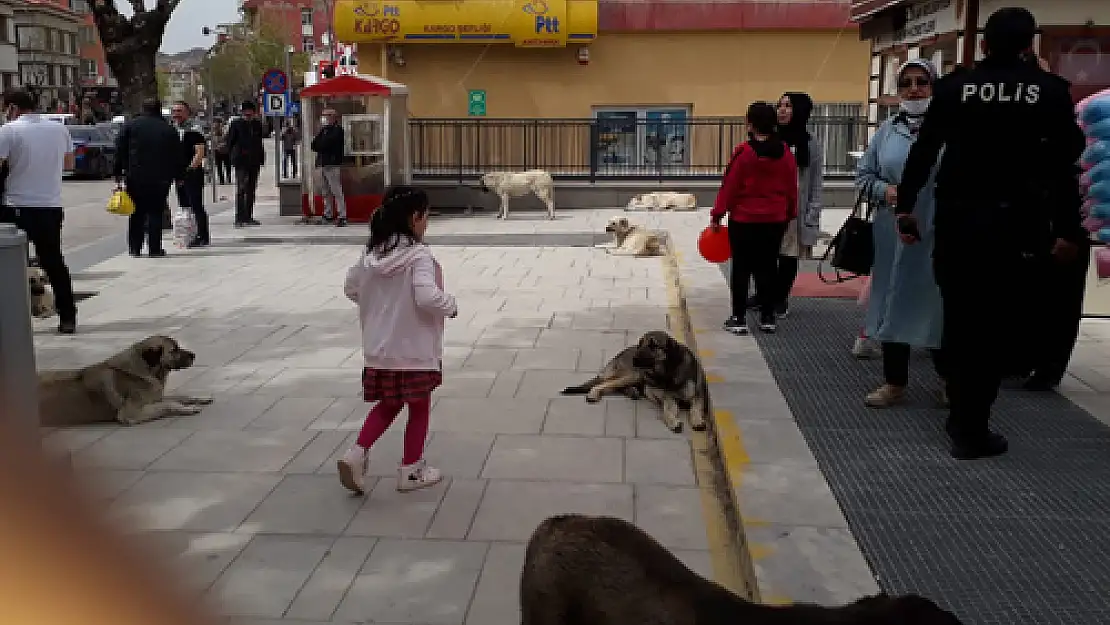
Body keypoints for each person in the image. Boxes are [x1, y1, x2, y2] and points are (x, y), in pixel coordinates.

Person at [895, 7, 1087, 460]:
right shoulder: (1050, 92)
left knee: (961, 319)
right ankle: (971, 426)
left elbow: (924, 151)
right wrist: (1069, 230)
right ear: (1030, 45)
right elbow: (1066, 166)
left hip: (959, 222)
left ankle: (961, 411)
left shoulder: (956, 87)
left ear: (982, 44)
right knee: (994, 328)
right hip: (1017, 227)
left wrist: (906, 206)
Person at [337, 186, 458, 494]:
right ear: (414, 218)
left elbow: (352, 288)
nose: (427, 223)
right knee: (419, 407)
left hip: (380, 349)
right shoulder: (418, 255)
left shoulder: (370, 253)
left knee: (389, 404)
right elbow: (427, 296)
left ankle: (357, 453)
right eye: (425, 217)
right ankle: (411, 469)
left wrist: (379, 307)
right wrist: (450, 304)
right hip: (414, 350)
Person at [856, 59, 947, 408]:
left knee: (937, 305)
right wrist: (886, 191)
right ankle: (894, 382)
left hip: (935, 232)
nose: (914, 89)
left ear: (933, 86)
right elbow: (863, 176)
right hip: (894, 233)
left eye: (921, 82)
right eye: (906, 83)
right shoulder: (887, 131)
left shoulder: (948, 130)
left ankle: (949, 380)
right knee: (893, 302)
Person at [711, 102, 799, 335]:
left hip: (744, 219)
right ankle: (768, 317)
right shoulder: (785, 153)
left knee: (741, 267)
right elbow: (792, 187)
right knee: (768, 267)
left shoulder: (744, 153)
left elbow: (729, 186)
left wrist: (717, 215)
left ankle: (738, 317)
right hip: (775, 219)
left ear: (749, 124)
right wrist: (790, 213)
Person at [0, 88, 79, 334]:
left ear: (12, 107)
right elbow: (69, 164)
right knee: (53, 261)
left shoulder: (9, 131)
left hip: (16, 206)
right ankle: (67, 317)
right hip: (50, 205)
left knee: (12, 264)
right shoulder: (59, 128)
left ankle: (15, 319)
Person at [749, 92, 824, 318]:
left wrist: (812, 212)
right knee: (763, 255)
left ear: (799, 111)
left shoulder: (810, 145)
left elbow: (815, 182)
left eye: (788, 106)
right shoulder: (768, 139)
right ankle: (763, 294)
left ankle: (780, 299)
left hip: (794, 211)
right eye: (780, 105)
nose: (781, 110)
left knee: (788, 256)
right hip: (768, 206)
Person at [114, 98, 180, 258]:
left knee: (136, 211)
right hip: (161, 177)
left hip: (136, 176)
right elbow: (176, 155)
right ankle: (154, 248)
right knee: (155, 212)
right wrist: (179, 175)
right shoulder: (168, 129)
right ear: (159, 109)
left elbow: (120, 149)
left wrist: (118, 172)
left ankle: (135, 247)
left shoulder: (130, 126)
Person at [169, 101, 209, 248]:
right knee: (184, 206)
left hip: (192, 174)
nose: (176, 114)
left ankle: (202, 236)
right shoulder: (173, 130)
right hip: (179, 174)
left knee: (196, 205)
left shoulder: (194, 130)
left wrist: (190, 170)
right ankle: (188, 234)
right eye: (174, 111)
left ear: (187, 112)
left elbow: (199, 153)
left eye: (179, 111)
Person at [226, 101, 265, 227]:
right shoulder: (236, 124)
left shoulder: (257, 125)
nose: (248, 114)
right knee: (241, 188)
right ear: (242, 112)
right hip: (241, 160)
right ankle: (239, 217)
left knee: (251, 189)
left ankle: (248, 216)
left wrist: (261, 157)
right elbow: (230, 142)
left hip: (254, 160)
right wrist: (232, 157)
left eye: (250, 112)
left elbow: (259, 142)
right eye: (246, 112)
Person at [311, 108, 347, 226]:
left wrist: (321, 144)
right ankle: (328, 214)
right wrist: (320, 143)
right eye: (323, 116)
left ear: (333, 117)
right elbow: (314, 145)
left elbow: (326, 144)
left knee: (336, 190)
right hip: (323, 163)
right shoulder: (324, 130)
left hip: (332, 164)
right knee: (326, 191)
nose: (324, 118)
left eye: (327, 116)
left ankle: (342, 215)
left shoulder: (337, 131)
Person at [211, 118, 232, 185]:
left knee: (227, 165)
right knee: (219, 166)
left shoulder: (225, 130)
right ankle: (221, 180)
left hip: (225, 151)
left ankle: (228, 178)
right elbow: (209, 138)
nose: (216, 124)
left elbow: (229, 139)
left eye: (217, 123)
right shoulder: (213, 131)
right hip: (217, 151)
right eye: (215, 123)